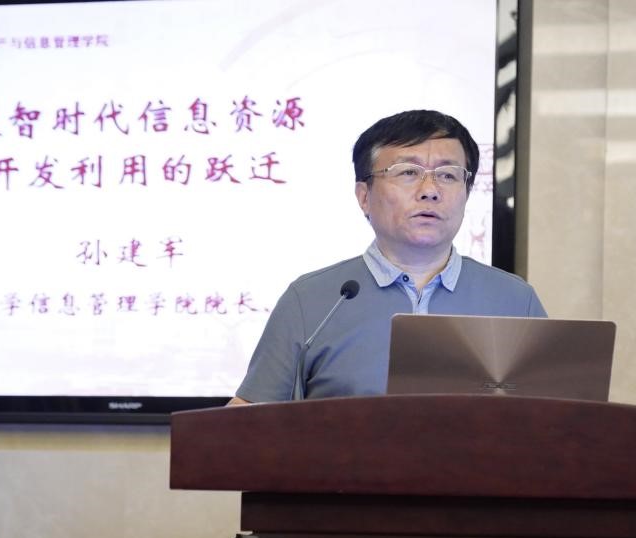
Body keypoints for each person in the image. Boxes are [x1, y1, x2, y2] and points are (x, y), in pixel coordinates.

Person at [230, 109, 546, 404]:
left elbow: (556, 422)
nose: (430, 190)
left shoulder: (515, 300)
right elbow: (247, 423)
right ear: (364, 196)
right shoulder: (311, 300)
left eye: (448, 175)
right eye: (408, 172)